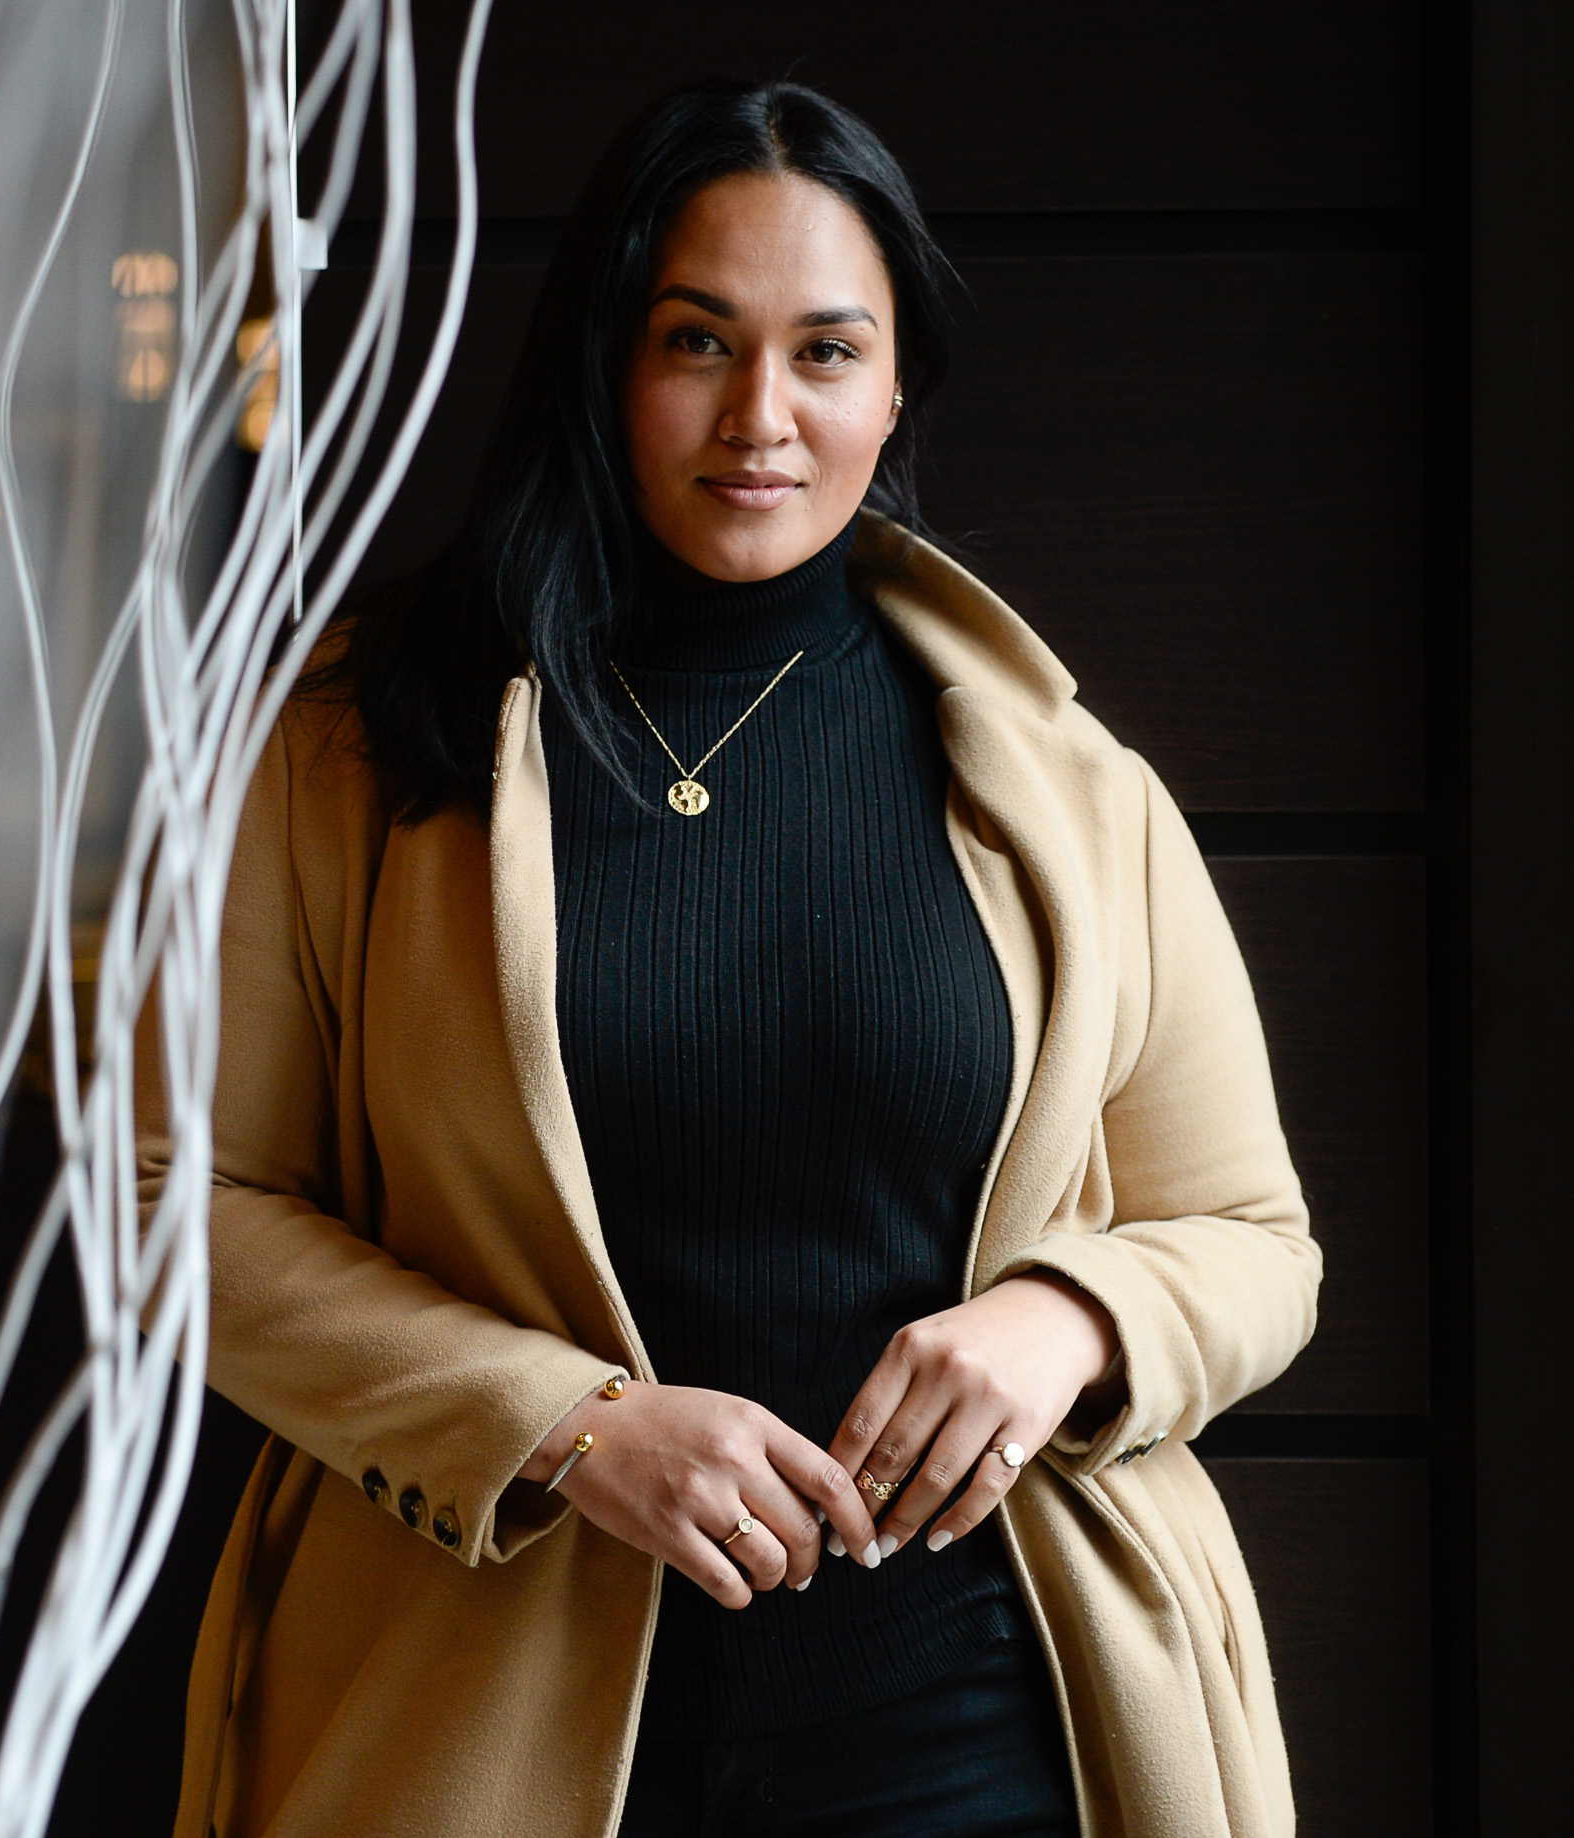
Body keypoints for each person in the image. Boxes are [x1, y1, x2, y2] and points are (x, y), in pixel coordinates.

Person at [141, 79, 1318, 1838]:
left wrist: (1067, 1318)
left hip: (992, 1717)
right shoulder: (362, 747)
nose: (761, 417)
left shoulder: (1073, 788)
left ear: (894, 380)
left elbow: (1253, 1240)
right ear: (607, 359)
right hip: (489, 1709)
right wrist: (563, 1423)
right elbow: (183, 1201)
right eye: (700, 342)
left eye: (827, 352)